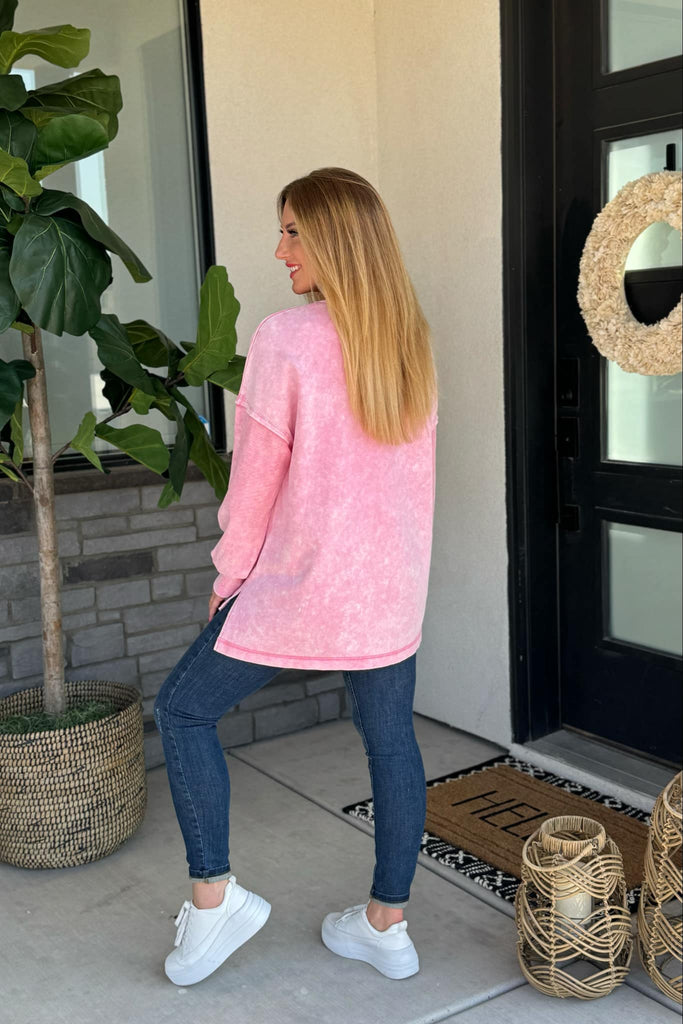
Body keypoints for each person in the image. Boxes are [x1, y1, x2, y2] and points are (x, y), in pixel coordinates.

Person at [153, 167, 439, 987]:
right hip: (386, 592)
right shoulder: (407, 339)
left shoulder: (286, 338)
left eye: (292, 232)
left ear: (335, 240)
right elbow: (410, 484)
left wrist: (228, 575)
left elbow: (256, 481)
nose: (279, 250)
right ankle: (386, 924)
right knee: (391, 742)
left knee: (181, 709)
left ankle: (214, 901)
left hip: (299, 585)